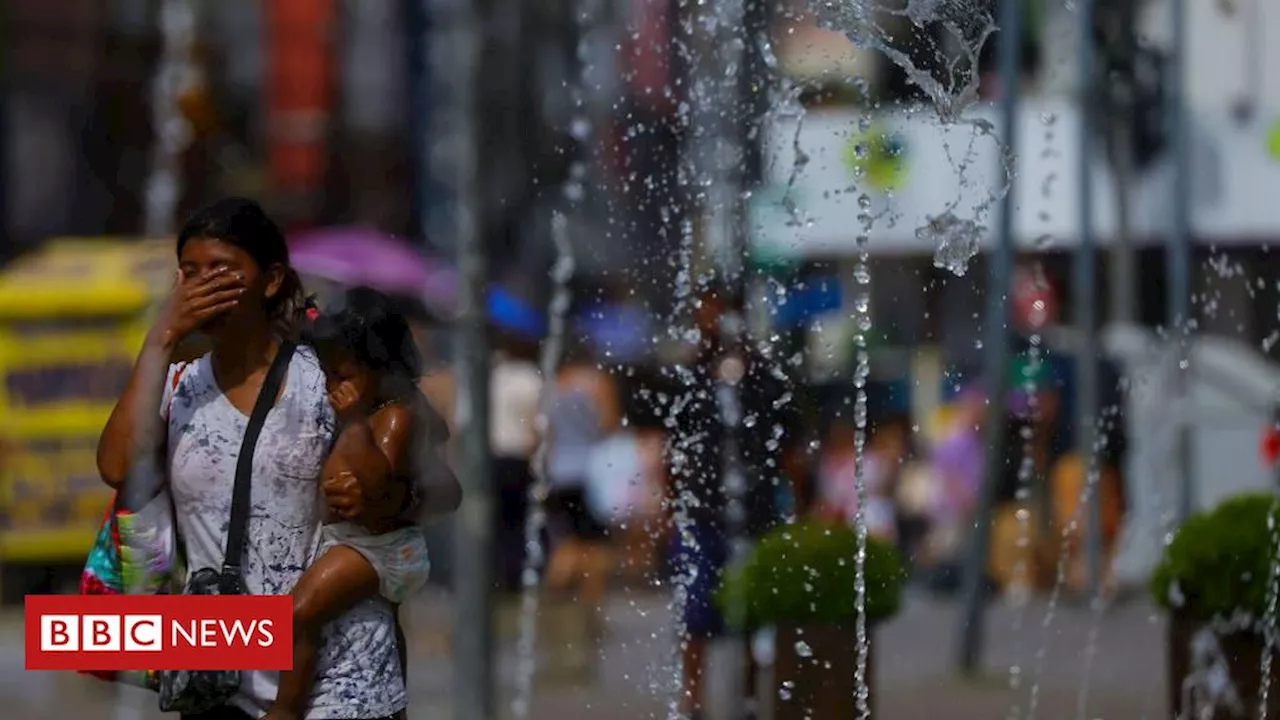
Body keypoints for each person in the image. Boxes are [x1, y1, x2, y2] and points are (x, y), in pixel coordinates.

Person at [96, 198, 418, 720]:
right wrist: (159, 340)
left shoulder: (329, 380)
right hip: (217, 676)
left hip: (339, 686)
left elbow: (420, 481)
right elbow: (116, 468)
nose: (203, 288)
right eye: (191, 273)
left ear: (271, 281)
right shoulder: (176, 387)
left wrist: (397, 496)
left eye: (222, 271)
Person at [268, 287, 459, 720]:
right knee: (385, 633)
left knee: (297, 613)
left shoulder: (388, 416)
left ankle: (284, 711)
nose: (334, 388)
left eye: (344, 375)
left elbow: (378, 483)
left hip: (376, 549)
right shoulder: (372, 402)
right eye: (328, 375)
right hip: (358, 544)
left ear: (380, 368)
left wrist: (354, 424)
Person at [667, 284, 794, 720]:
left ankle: (749, 698)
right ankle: (692, 700)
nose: (706, 323)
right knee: (696, 610)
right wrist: (673, 503)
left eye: (713, 313)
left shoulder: (762, 376)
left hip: (754, 511)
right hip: (702, 511)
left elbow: (787, 441)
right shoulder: (694, 375)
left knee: (754, 611)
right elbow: (676, 445)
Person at [543, 334, 621, 610]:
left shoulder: (553, 386)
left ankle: (550, 603)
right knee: (597, 545)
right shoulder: (597, 383)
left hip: (557, 472)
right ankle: (591, 608)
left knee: (567, 541)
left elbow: (543, 431)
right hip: (589, 471)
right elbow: (609, 423)